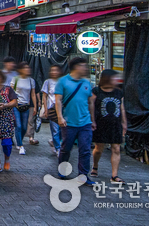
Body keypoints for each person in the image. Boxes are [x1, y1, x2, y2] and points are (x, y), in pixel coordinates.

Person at [55, 57, 96, 186]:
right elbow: (58, 101)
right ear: (76, 67)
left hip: (85, 122)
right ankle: (62, 170)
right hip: (69, 123)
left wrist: (93, 120)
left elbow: (90, 103)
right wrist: (60, 117)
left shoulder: (86, 83)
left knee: (85, 150)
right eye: (83, 66)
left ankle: (83, 176)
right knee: (66, 148)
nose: (85, 68)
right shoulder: (63, 81)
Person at [91, 70, 127, 184]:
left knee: (116, 148)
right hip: (101, 124)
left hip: (115, 125)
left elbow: (122, 108)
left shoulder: (119, 92)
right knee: (98, 149)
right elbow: (90, 106)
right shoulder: (96, 91)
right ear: (107, 78)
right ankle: (95, 166)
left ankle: (114, 175)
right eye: (114, 78)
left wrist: (124, 122)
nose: (116, 80)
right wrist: (92, 121)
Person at [11, 62, 37, 154]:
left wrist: (35, 107)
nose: (27, 70)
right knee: (18, 125)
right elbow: (11, 91)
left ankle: (19, 140)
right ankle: (21, 146)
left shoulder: (31, 80)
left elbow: (33, 94)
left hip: (26, 105)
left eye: (28, 68)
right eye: (25, 68)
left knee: (25, 127)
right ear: (20, 70)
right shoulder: (15, 79)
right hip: (16, 105)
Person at [41, 65, 62, 156]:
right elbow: (44, 96)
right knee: (55, 130)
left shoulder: (62, 82)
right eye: (52, 70)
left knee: (62, 129)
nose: (54, 72)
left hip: (62, 108)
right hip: (52, 109)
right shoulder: (47, 82)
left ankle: (54, 141)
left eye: (56, 70)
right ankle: (58, 149)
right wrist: (46, 109)